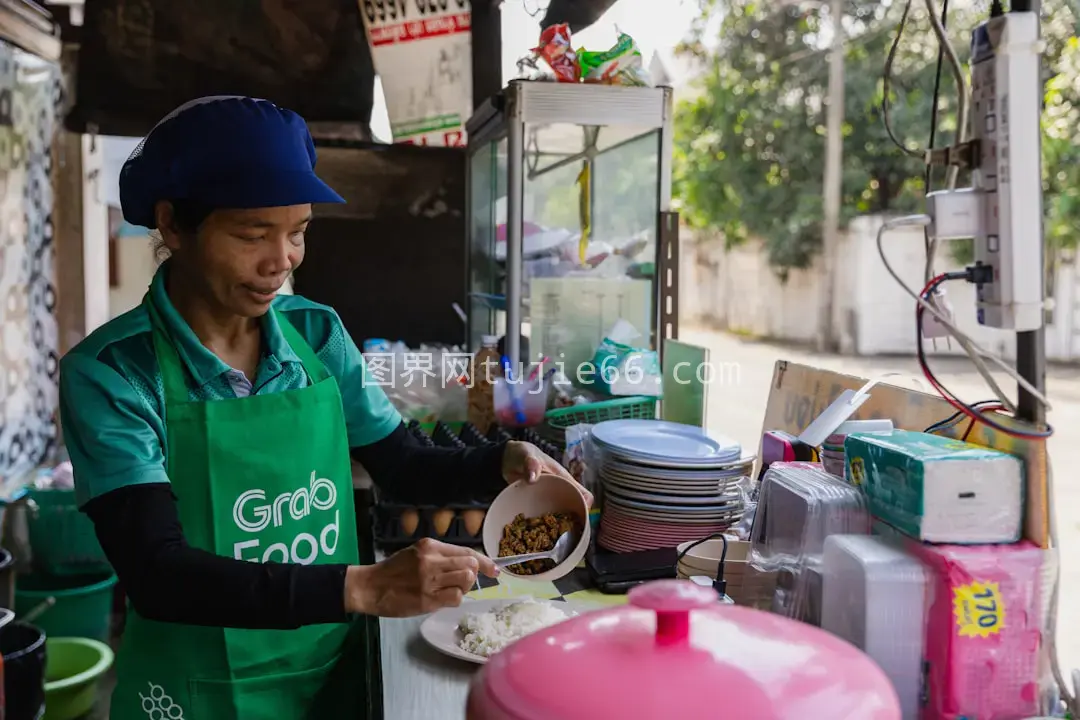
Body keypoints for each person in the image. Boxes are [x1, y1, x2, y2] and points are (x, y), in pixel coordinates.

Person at [58, 96, 591, 720]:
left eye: (298, 232)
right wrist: (362, 584)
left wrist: (501, 459)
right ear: (173, 226)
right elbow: (158, 572)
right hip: (199, 692)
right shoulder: (114, 373)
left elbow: (399, 462)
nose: (281, 261)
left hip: (329, 669)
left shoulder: (314, 335)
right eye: (253, 234)